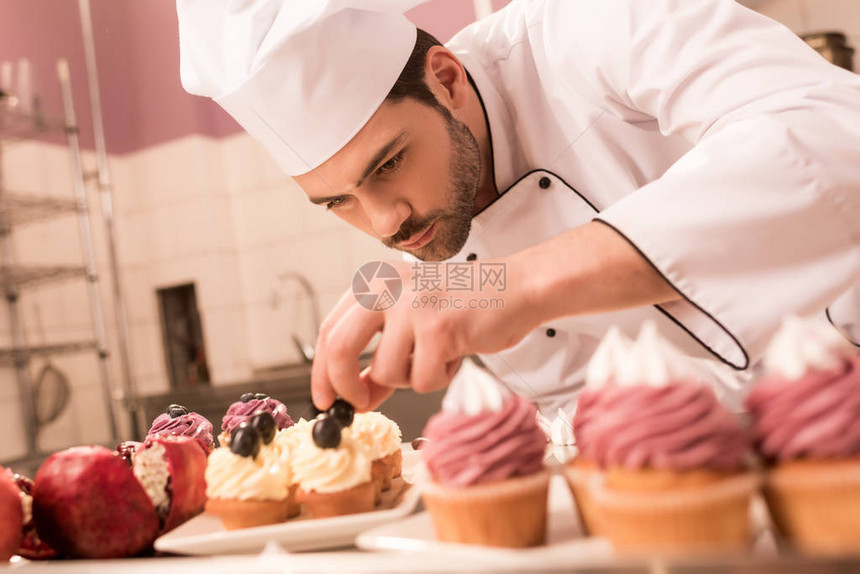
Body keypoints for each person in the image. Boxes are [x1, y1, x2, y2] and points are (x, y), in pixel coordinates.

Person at [177, 0, 860, 415]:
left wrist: (522, 281)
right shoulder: (428, 243)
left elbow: (832, 136)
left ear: (445, 79)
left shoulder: (583, 29)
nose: (385, 224)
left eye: (388, 165)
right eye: (339, 203)